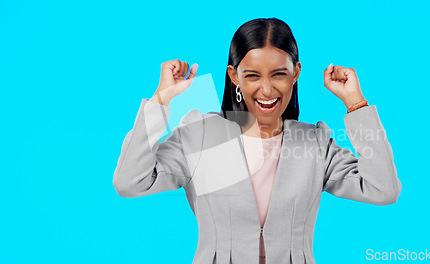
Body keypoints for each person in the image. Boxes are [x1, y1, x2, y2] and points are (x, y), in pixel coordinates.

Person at [113, 17, 402, 264]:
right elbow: (131, 182)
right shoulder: (202, 135)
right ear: (234, 77)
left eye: (279, 74)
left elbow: (382, 189)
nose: (266, 89)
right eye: (252, 75)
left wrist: (355, 103)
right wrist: (161, 99)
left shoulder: (314, 142)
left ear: (296, 74)